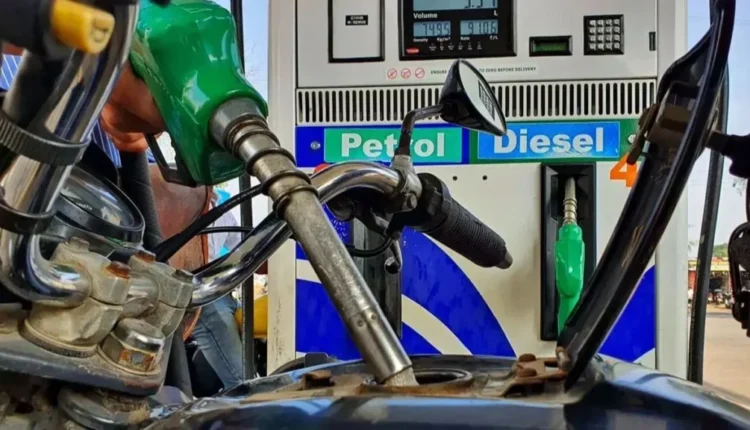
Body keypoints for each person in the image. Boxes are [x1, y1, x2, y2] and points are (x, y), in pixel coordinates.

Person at [190, 189, 245, 390]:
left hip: (224, 291)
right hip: (202, 296)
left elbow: (244, 248)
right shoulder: (181, 204)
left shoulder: (223, 212)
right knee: (242, 382)